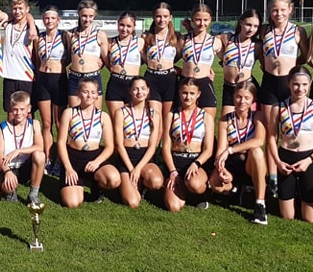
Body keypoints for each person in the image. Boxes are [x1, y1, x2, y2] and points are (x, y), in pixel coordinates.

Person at [258, 0, 309, 197]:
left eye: (282, 10)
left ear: (290, 10)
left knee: (292, 130)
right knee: (271, 132)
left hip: (289, 85)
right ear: (269, 12)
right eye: (274, 10)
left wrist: (294, 66)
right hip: (269, 83)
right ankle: (273, 178)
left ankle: (296, 173)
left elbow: (305, 55)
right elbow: (259, 51)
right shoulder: (264, 30)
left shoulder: (298, 31)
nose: (278, 13)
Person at [267, 69, 313, 223]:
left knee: (310, 218)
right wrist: (278, 162)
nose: (300, 89)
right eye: (296, 84)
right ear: (288, 83)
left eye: (304, 85)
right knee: (287, 216)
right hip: (286, 158)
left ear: (309, 84)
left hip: (308, 158)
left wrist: (309, 160)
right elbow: (271, 138)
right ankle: (295, 193)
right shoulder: (278, 108)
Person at [211, 81, 268, 224]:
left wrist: (231, 149)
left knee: (257, 152)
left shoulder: (258, 116)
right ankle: (234, 188)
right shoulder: (225, 119)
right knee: (214, 184)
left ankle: (260, 204)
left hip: (250, 164)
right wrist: (221, 169)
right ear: (233, 97)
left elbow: (259, 141)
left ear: (253, 99)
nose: (242, 101)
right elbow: (220, 151)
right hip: (232, 163)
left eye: (247, 98)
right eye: (238, 97)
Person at [56, 77, 115, 208]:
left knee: (113, 179)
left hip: (94, 158)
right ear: (78, 93)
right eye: (85, 92)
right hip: (73, 159)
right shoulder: (69, 113)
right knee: (72, 203)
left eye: (93, 92)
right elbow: (61, 143)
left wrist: (97, 162)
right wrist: (68, 168)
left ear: (97, 95)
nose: (89, 95)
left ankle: (96, 187)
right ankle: (78, 184)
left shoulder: (103, 116)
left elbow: (110, 147)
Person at [160, 78, 215, 213]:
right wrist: (172, 171)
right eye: (184, 93)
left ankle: (199, 193)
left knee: (195, 184)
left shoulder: (206, 117)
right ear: (179, 93)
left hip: (195, 163)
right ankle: (183, 189)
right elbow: (165, 148)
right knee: (173, 207)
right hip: (176, 162)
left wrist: (196, 163)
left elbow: (208, 149)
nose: (188, 97)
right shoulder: (171, 115)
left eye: (192, 93)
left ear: (198, 94)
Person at [112, 76, 163, 209]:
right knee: (133, 202)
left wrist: (138, 169)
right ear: (129, 91)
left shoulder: (154, 114)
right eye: (135, 89)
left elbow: (152, 146)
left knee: (157, 182)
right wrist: (131, 169)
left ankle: (142, 182)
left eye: (143, 88)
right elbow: (119, 144)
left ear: (148, 90)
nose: (139, 92)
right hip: (126, 159)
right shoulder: (121, 112)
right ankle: (125, 184)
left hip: (144, 159)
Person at [32, 6, 69, 171]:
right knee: (47, 123)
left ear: (58, 20)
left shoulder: (64, 36)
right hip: (43, 81)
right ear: (43, 20)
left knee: (60, 123)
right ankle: (47, 158)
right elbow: (36, 59)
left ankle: (60, 160)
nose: (49, 21)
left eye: (53, 18)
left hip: (59, 80)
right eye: (47, 18)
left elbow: (70, 57)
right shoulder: (38, 38)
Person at [0, 91, 45, 204]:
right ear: (11, 109)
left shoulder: (34, 124)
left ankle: (33, 194)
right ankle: (10, 192)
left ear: (29, 109)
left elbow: (40, 146)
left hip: (26, 166)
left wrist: (18, 151)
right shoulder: (4, 126)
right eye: (15, 109)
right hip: (9, 166)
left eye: (22, 109)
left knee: (40, 155)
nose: (19, 113)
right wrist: (7, 171)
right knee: (8, 187)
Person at [142, 2, 181, 120]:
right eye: (158, 16)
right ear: (153, 17)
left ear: (170, 17)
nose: (162, 20)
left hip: (170, 80)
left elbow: (184, 55)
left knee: (168, 118)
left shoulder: (177, 37)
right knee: (154, 118)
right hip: (151, 78)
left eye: (165, 16)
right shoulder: (146, 36)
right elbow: (142, 56)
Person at [179, 4, 223, 111]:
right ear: (192, 20)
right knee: (181, 117)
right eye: (198, 20)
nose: (202, 23)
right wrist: (174, 69)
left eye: (205, 20)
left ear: (210, 20)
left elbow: (227, 61)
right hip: (186, 82)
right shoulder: (183, 39)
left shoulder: (215, 42)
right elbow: (171, 59)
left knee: (208, 118)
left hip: (205, 82)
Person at [66, 0, 108, 108]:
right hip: (75, 78)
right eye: (84, 16)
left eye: (91, 16)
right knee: (75, 114)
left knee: (95, 114)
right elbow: (67, 57)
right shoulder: (70, 34)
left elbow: (107, 60)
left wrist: (102, 63)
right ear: (79, 14)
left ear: (95, 15)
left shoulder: (100, 35)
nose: (87, 19)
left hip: (93, 77)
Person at [0, 0, 38, 114]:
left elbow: (37, 53)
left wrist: (32, 24)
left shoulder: (32, 29)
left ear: (27, 9)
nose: (17, 11)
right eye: (15, 8)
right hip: (9, 76)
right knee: (11, 112)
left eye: (21, 8)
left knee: (28, 113)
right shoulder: (7, 25)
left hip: (27, 76)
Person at [218, 9, 261, 114]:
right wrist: (223, 59)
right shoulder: (227, 38)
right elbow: (208, 41)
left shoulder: (257, 45)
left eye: (255, 26)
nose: (251, 29)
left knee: (251, 120)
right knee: (226, 119)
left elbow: (266, 65)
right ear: (241, 22)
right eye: (248, 25)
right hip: (229, 87)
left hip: (248, 87)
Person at [104, 11, 145, 116]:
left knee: (132, 121)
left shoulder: (140, 42)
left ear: (134, 27)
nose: (124, 29)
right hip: (115, 84)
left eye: (128, 26)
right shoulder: (109, 42)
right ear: (117, 24)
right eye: (122, 25)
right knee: (116, 121)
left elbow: (149, 60)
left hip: (133, 85)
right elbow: (104, 60)